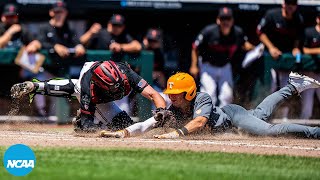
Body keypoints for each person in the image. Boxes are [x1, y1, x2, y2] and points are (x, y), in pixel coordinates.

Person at [100, 72, 320, 139]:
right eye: (171, 94)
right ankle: (293, 86)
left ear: (189, 92)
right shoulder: (173, 110)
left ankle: (315, 132)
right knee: (261, 113)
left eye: (177, 94)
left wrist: (174, 134)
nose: (172, 97)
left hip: (233, 117)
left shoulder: (202, 98)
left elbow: (200, 121)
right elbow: (147, 124)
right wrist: (122, 133)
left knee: (270, 131)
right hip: (234, 124)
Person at [11, 60, 166, 132]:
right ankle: (77, 122)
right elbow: (87, 125)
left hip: (93, 73)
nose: (115, 90)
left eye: (117, 86)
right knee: (122, 125)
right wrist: (85, 124)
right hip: (89, 88)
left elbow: (153, 94)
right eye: (110, 88)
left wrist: (161, 111)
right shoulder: (88, 87)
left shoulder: (128, 74)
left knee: (75, 87)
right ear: (98, 85)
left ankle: (36, 86)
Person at [190, 7, 254, 107]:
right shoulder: (209, 31)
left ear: (232, 20)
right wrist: (194, 65)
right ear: (218, 20)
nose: (225, 22)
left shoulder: (237, 32)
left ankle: (222, 120)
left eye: (228, 19)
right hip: (208, 67)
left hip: (225, 66)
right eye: (223, 19)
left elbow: (244, 44)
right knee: (209, 94)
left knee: (227, 96)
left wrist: (252, 48)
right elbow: (195, 47)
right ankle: (206, 119)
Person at [257, 0, 304, 118]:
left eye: (292, 4)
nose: (290, 6)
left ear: (296, 6)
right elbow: (260, 32)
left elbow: (299, 36)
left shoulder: (298, 18)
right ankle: (263, 116)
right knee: (271, 86)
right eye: (288, 3)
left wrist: (295, 48)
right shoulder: (272, 14)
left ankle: (284, 117)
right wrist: (271, 47)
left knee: (286, 88)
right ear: (283, 4)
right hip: (269, 54)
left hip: (286, 58)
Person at [38, 1, 86, 77]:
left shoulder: (69, 29)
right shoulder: (44, 28)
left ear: (66, 13)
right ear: (51, 12)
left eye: (61, 12)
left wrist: (79, 45)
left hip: (65, 69)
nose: (59, 15)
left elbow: (76, 41)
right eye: (56, 12)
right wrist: (54, 46)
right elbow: (39, 43)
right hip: (45, 69)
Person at [300, 13, 320, 119]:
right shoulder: (309, 32)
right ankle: (303, 126)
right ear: (317, 19)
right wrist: (317, 50)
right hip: (310, 73)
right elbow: (303, 50)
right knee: (307, 102)